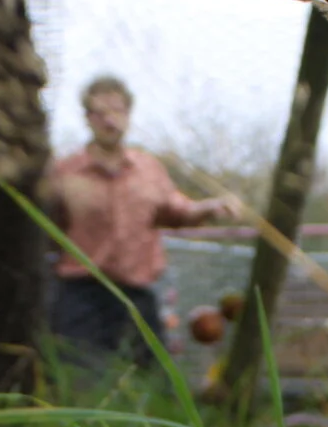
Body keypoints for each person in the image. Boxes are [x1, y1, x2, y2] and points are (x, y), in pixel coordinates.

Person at [38, 76, 242, 368]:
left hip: (136, 295)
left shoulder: (149, 170)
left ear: (128, 114)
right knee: (78, 378)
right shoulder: (64, 173)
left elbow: (176, 210)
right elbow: (46, 228)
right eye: (100, 113)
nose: (110, 121)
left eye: (117, 111)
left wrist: (209, 207)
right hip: (80, 296)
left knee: (151, 379)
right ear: (87, 118)